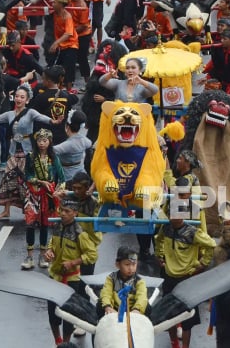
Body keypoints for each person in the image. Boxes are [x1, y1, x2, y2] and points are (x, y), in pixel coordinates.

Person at [0, 83, 58, 220]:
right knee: (7, 180)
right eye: (17, 96)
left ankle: (30, 211)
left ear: (27, 100)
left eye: (22, 97)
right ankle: (6, 211)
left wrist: (53, 122)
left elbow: (42, 118)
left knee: (28, 183)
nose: (19, 99)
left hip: (27, 153)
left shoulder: (30, 113)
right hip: (13, 153)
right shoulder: (9, 114)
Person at [156, 212, 216, 348]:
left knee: (187, 318)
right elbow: (158, 240)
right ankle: (174, 344)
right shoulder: (165, 229)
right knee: (169, 316)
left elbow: (211, 244)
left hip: (186, 280)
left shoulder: (192, 232)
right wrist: (159, 256)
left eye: (178, 214)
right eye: (172, 214)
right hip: (169, 278)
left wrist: (202, 264)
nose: (175, 217)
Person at [44, 199, 99, 345]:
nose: (62, 213)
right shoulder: (56, 226)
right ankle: (58, 341)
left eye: (67, 211)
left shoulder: (80, 233)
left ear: (75, 213)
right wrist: (49, 251)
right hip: (54, 276)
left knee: (68, 315)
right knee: (52, 313)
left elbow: (92, 255)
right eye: (61, 210)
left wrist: (73, 263)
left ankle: (66, 343)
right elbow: (52, 243)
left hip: (71, 280)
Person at [21, 128, 65, 270]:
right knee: (30, 224)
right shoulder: (30, 156)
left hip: (48, 196)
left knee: (45, 225)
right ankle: (29, 256)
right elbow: (27, 175)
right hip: (33, 195)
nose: (42, 143)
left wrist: (58, 191)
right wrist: (40, 182)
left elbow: (62, 178)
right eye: (39, 140)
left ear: (49, 142)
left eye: (45, 140)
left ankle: (42, 255)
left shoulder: (54, 158)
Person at [100, 247, 148, 316]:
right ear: (118, 265)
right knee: (100, 305)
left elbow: (142, 297)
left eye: (134, 264)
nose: (131, 268)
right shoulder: (111, 278)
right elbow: (106, 293)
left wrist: (137, 309)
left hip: (133, 309)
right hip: (115, 309)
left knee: (147, 307)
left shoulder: (139, 281)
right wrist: (108, 306)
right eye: (127, 264)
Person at [49, 0, 80, 91]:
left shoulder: (67, 16)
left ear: (61, 5)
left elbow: (68, 33)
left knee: (69, 69)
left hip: (71, 45)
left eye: (55, 2)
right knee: (57, 67)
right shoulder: (54, 13)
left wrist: (56, 43)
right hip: (62, 46)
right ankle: (59, 88)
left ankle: (69, 90)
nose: (52, 4)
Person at [54, 110, 92, 180]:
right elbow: (89, 144)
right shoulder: (86, 141)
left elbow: (52, 150)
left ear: (67, 126)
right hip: (81, 173)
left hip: (67, 177)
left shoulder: (68, 145)